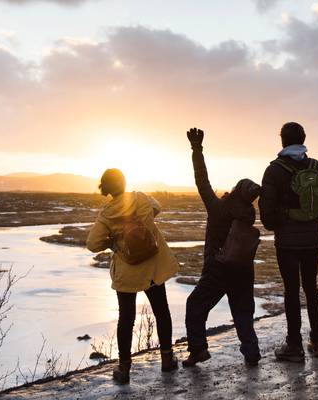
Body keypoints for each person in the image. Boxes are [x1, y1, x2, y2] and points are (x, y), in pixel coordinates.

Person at [86, 168, 180, 385]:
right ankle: (167, 360)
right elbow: (157, 206)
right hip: (153, 267)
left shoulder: (107, 214)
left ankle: (124, 369)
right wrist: (144, 223)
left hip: (127, 271)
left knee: (126, 319)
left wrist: (113, 242)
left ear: (106, 189)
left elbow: (92, 243)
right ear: (124, 182)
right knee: (161, 311)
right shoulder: (140, 199)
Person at [182, 127, 262, 368]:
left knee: (195, 306)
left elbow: (202, 181)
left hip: (217, 269)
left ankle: (198, 350)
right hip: (243, 270)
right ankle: (251, 352)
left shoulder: (218, 209)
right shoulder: (249, 215)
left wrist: (197, 149)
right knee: (243, 312)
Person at [259, 122, 318, 362]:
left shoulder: (274, 170)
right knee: (311, 288)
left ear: (282, 141)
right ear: (303, 139)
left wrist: (283, 221)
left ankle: (294, 345)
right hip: (313, 239)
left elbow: (267, 214)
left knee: (291, 291)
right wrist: (313, 219)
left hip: (287, 243)